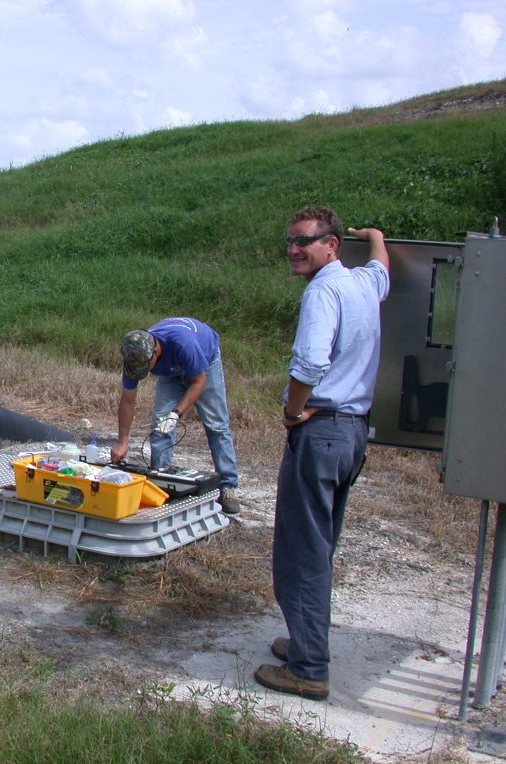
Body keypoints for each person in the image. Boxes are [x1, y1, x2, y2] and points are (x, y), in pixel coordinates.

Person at [253, 207, 389, 701]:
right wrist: (376, 238)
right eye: (289, 241)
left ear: (332, 245)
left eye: (304, 241)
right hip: (352, 434)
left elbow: (309, 361)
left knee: (302, 552)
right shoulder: (361, 284)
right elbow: (383, 272)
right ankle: (305, 642)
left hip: (322, 431)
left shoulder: (323, 291)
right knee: (319, 546)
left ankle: (309, 668)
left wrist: (293, 411)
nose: (293, 249)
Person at [111, 317, 241, 516]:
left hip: (204, 361)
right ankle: (161, 483)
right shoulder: (135, 354)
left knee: (216, 424)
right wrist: (123, 441)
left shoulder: (184, 344)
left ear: (155, 352)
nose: (142, 372)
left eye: (145, 367)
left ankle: (227, 486)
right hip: (171, 370)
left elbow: (198, 382)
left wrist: (176, 414)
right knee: (160, 425)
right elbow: (127, 400)